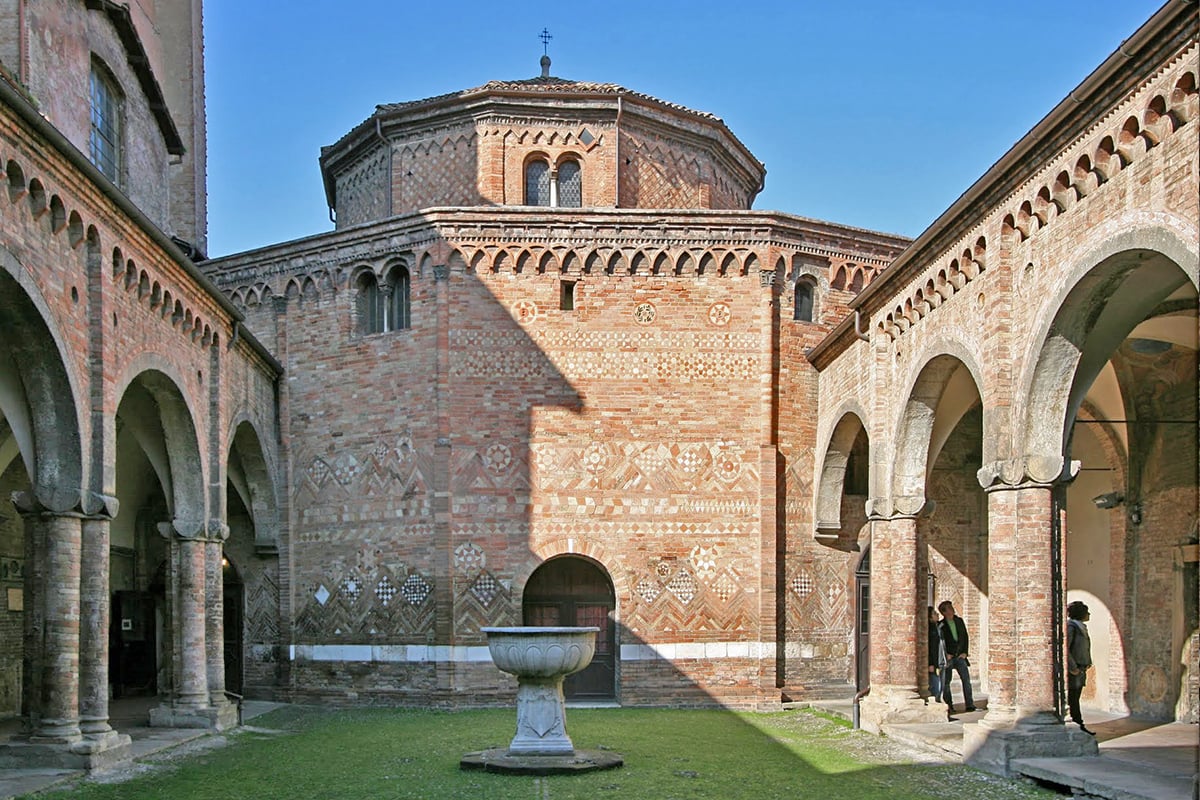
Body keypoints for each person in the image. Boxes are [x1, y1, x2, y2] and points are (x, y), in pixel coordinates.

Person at [937, 600, 976, 714]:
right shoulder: (941, 625)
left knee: (966, 680)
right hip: (949, 657)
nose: (952, 609)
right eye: (949, 608)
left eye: (951, 607)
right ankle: (949, 705)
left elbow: (965, 636)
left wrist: (965, 652)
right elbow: (941, 642)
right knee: (946, 682)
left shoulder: (959, 621)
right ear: (944, 612)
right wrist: (945, 654)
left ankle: (970, 704)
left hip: (960, 656)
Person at [1067, 600, 1095, 735]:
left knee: (1075, 697)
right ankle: (1078, 725)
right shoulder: (1071, 627)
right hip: (1075, 670)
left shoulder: (1081, 627)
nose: (1088, 614)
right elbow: (1065, 649)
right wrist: (1073, 667)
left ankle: (1079, 724)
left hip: (1081, 668)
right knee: (1073, 698)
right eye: (1086, 612)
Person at [927, 606, 945, 703]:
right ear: (930, 617)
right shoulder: (930, 629)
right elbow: (929, 647)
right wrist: (930, 663)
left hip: (941, 661)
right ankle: (935, 704)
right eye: (934, 613)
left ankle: (938, 702)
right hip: (934, 662)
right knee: (935, 685)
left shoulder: (939, 627)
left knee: (941, 685)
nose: (937, 615)